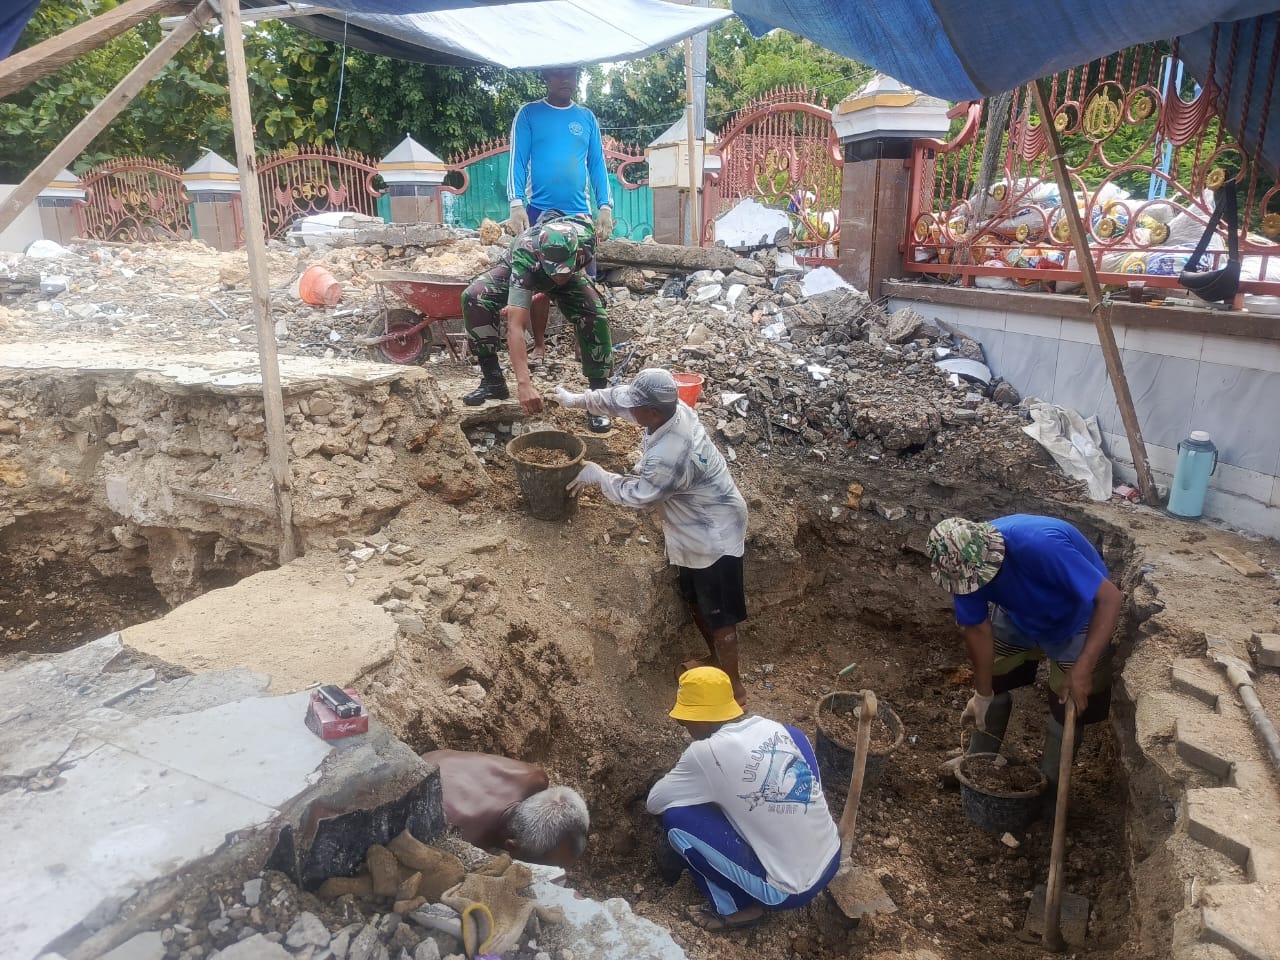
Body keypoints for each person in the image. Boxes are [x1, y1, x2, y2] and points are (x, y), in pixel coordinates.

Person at [558, 369, 750, 705]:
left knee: (720, 614)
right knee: (695, 599)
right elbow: (619, 399)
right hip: (692, 526)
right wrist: (576, 400)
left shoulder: (670, 454)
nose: (629, 410)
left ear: (652, 412)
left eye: (637, 407)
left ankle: (734, 691)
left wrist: (601, 477)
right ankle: (716, 662)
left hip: (713, 533)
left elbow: (641, 496)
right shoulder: (670, 407)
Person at [926, 514, 1123, 786]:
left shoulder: (1041, 546)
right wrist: (982, 694)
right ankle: (978, 762)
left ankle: (1048, 789)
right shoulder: (961, 567)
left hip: (1079, 615)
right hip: (1017, 612)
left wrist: (1084, 667)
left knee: (1068, 703)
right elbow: (977, 629)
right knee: (996, 677)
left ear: (992, 556)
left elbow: (1111, 598)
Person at [645, 667, 841, 932]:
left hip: (790, 891)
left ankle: (733, 909)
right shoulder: (782, 730)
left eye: (684, 720)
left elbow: (655, 802)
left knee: (676, 820)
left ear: (700, 718)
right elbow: (811, 784)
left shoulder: (706, 753)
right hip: (832, 855)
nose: (685, 727)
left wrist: (708, 797)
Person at [461, 215, 613, 433]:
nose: (558, 278)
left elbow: (569, 270)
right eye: (555, 271)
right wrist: (524, 385)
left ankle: (598, 400)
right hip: (530, 270)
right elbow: (516, 326)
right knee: (475, 297)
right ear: (542, 254)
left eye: (562, 270)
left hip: (566, 271)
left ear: (578, 251)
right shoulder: (525, 258)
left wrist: (566, 277)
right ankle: (493, 381)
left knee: (594, 313)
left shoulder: (586, 238)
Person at [506, 66, 615, 366]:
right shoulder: (529, 114)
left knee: (585, 280)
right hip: (539, 212)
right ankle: (540, 346)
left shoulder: (586, 118)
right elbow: (517, 161)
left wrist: (605, 207)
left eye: (572, 74)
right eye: (558, 74)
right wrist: (516, 203)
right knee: (538, 281)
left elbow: (597, 164)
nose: (566, 79)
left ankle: (583, 345)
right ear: (546, 77)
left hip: (579, 215)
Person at [422, 749, 589, 867]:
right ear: (511, 847)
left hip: (440, 759)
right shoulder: (462, 838)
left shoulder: (534, 777)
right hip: (420, 775)